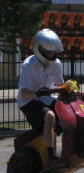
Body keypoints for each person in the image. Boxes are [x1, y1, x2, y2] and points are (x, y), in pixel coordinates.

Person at [16, 29, 64, 165]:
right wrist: (38, 93)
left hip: (47, 98)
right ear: (39, 49)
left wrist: (73, 91)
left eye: (54, 52)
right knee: (49, 116)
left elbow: (60, 85)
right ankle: (50, 156)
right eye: (49, 52)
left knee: (64, 112)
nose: (52, 55)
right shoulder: (29, 64)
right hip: (29, 100)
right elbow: (24, 92)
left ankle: (57, 152)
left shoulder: (57, 64)